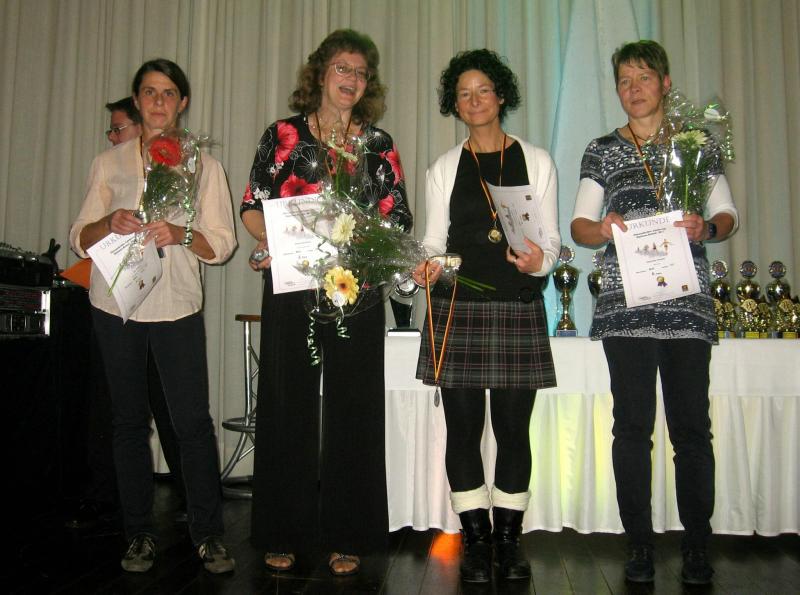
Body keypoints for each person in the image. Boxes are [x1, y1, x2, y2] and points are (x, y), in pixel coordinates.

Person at [240, 29, 411, 577]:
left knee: (353, 408)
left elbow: (398, 217)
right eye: (342, 68)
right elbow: (252, 206)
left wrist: (369, 240)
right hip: (292, 286)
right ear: (319, 73)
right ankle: (282, 531)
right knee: (286, 404)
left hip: (356, 290)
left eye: (361, 72)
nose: (351, 80)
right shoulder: (283, 135)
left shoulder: (378, 143)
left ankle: (348, 534)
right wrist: (273, 242)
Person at [570, 40, 738, 586]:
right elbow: (579, 226)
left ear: (665, 83)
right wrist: (603, 229)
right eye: (624, 80)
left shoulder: (696, 144)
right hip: (625, 309)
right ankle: (638, 544)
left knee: (691, 431)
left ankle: (697, 546)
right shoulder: (601, 150)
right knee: (631, 429)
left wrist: (706, 228)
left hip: (687, 307)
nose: (633, 88)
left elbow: (727, 214)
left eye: (643, 77)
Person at [69, 59, 237, 574]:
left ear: (182, 102)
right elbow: (79, 237)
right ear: (137, 100)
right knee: (126, 423)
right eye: (149, 92)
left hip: (176, 304)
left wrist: (181, 234)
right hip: (115, 305)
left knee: (191, 423)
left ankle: (208, 535)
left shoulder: (204, 166)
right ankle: (138, 534)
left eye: (168, 93)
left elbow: (222, 245)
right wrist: (108, 222)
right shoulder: (109, 163)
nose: (158, 102)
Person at [413, 49, 560, 584]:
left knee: (514, 430)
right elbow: (433, 241)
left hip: (517, 305)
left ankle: (508, 540)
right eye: (463, 94)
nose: (474, 101)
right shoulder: (444, 167)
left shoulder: (536, 160)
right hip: (458, 309)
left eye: (483, 91)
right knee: (463, 430)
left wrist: (541, 261)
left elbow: (552, 243)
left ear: (501, 97)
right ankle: (475, 540)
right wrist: (423, 267)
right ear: (455, 104)